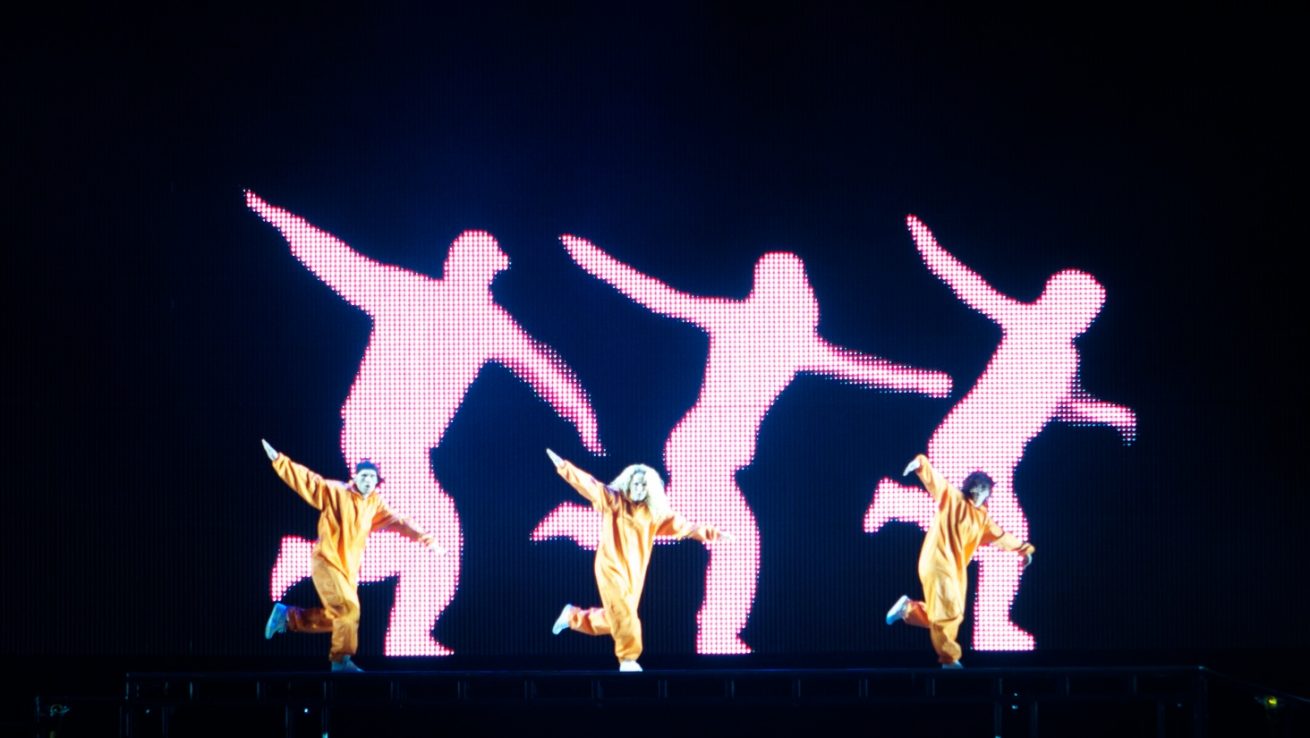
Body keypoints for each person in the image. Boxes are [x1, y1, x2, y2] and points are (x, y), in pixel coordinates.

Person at [259, 439, 444, 672]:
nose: (368, 481)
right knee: (350, 610)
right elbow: (308, 482)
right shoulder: (337, 492)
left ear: (377, 482)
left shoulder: (375, 504)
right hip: (326, 561)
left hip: (348, 570)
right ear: (355, 478)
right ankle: (340, 660)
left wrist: (427, 540)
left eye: (372, 478)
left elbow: (401, 522)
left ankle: (287, 617)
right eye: (364, 476)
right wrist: (280, 461)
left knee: (341, 616)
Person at [545, 448, 730, 672]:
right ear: (629, 484)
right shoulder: (614, 500)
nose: (640, 489)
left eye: (644, 485)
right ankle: (628, 659)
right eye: (637, 484)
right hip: (610, 568)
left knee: (620, 618)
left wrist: (714, 534)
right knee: (624, 613)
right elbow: (590, 485)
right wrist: (564, 467)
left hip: (634, 573)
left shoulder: (654, 515)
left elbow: (686, 527)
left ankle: (573, 616)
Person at [884, 454, 1034, 668]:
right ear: (977, 488)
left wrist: (1023, 550)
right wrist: (920, 464)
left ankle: (908, 609)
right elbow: (935, 481)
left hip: (953, 569)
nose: (984, 494)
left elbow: (1001, 536)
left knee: (951, 613)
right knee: (947, 613)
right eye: (983, 489)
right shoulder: (953, 498)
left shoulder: (981, 519)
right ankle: (949, 658)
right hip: (937, 561)